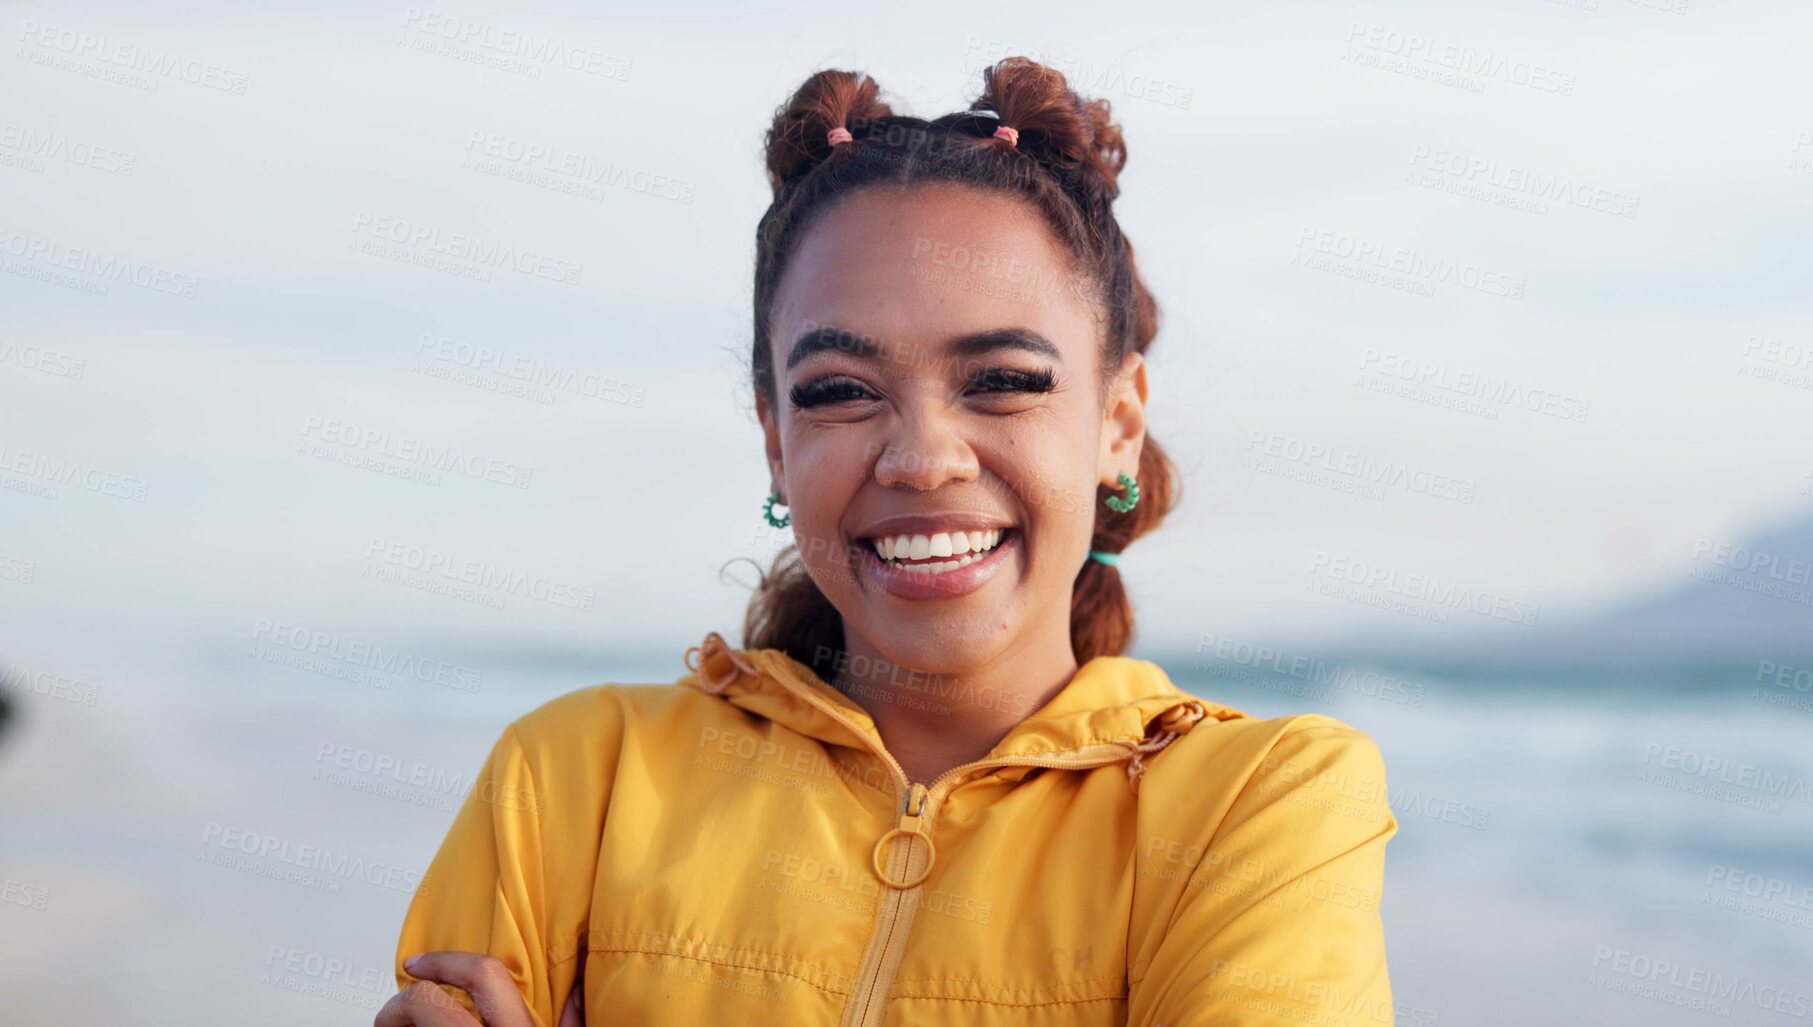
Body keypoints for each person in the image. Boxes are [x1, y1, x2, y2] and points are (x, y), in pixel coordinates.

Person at [378, 56, 1397, 1027]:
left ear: (1119, 422)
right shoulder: (574, 782)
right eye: (839, 392)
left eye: (1002, 378)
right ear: (778, 438)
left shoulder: (1262, 803)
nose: (923, 458)